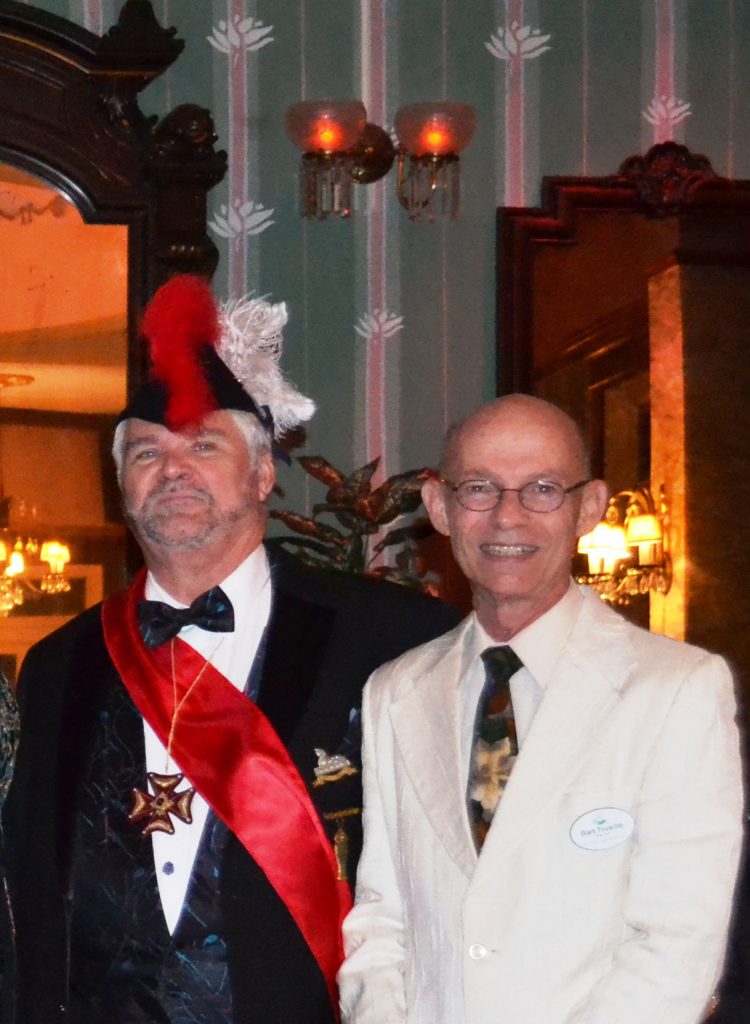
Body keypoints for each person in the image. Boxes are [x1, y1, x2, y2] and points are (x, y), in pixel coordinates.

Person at [2, 275, 458, 1024]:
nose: (173, 470)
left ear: (265, 473)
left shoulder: (390, 637)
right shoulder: (59, 666)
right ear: (121, 487)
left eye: (204, 445)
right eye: (146, 453)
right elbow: (30, 884)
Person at [339, 393, 744, 1024]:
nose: (508, 517)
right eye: (480, 488)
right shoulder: (395, 690)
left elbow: (676, 944)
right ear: (440, 507)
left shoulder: (677, 690)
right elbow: (381, 916)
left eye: (543, 489)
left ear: (589, 507)